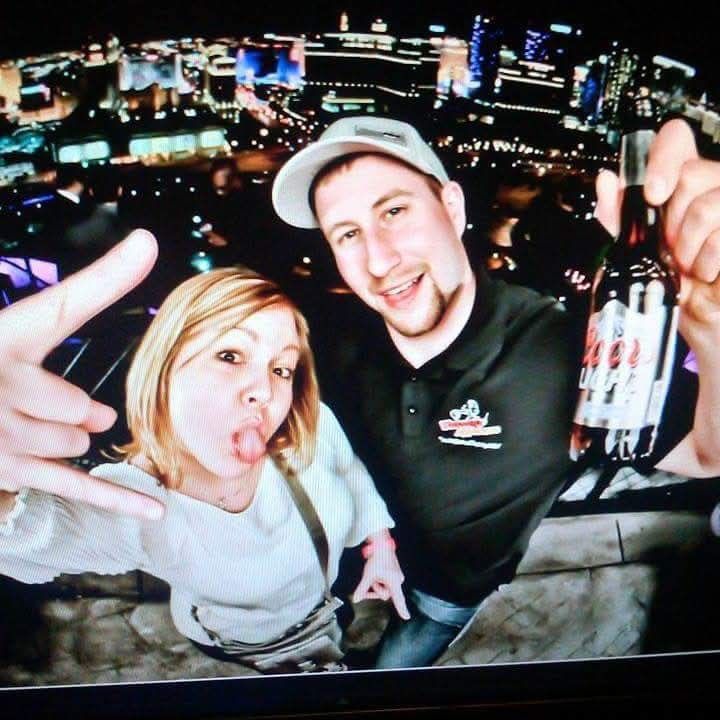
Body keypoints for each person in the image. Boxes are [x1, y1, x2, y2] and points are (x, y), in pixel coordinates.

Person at [269, 115, 720, 668]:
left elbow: (707, 454)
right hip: (337, 574)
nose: (379, 260)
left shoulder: (560, 349)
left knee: (388, 676)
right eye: (347, 234)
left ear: (452, 208)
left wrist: (711, 324)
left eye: (394, 211)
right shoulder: (323, 341)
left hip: (445, 595)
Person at [0, 257, 407, 674]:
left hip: (328, 612)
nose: (265, 391)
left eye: (281, 368)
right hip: (249, 648)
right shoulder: (138, 500)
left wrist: (380, 548)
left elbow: (349, 472)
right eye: (230, 355)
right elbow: (29, 532)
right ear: (165, 369)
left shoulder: (311, 426)